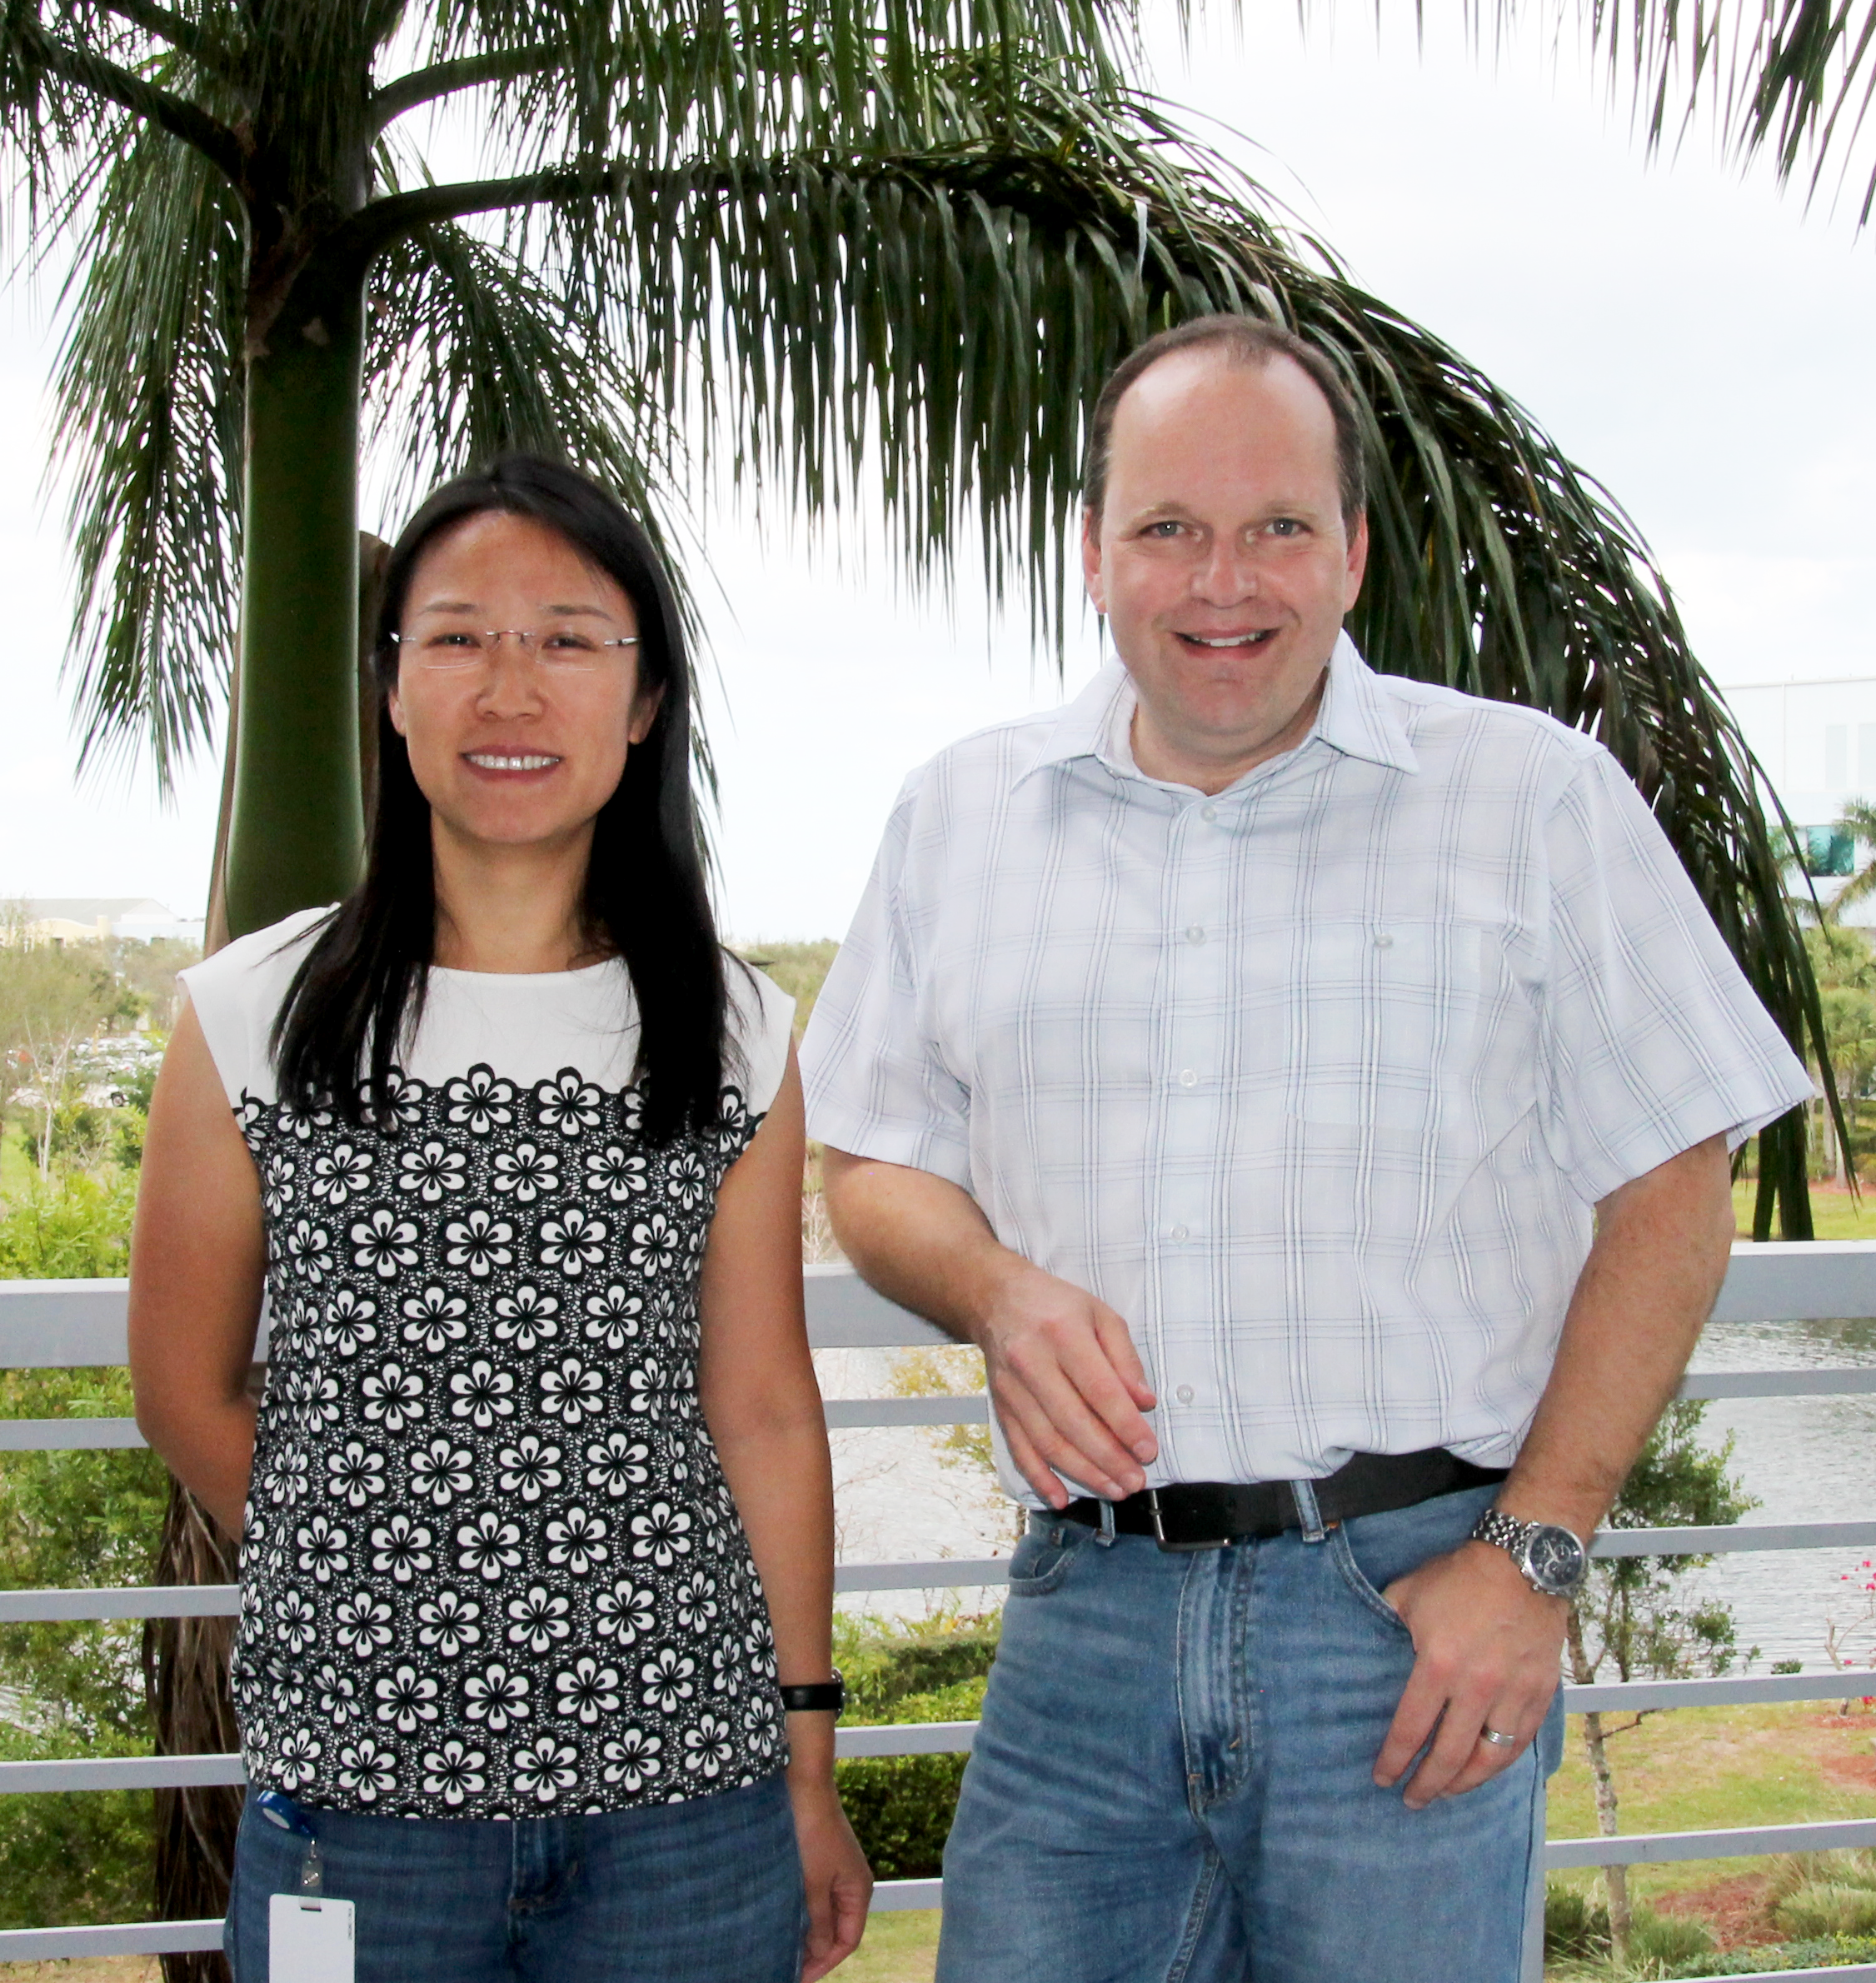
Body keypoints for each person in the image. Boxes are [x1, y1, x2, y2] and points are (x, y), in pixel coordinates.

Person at [799, 317, 1814, 1982]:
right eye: (1168, 528)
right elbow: (875, 1163)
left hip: (1414, 1617)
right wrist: (992, 1285)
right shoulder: (959, 814)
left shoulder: (1531, 797)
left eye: (1276, 525)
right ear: (1093, 551)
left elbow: (1668, 1197)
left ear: (1349, 551)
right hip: (1086, 1624)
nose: (1224, 579)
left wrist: (1532, 1558)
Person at [129, 455, 871, 1983]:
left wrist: (808, 1762)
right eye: (456, 636)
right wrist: (391, 1566)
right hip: (363, 1804)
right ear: (393, 693)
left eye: (569, 639)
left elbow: (764, 1410)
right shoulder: (251, 1012)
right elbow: (183, 1389)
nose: (510, 687)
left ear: (646, 700)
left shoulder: (732, 1026)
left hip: (690, 1801)